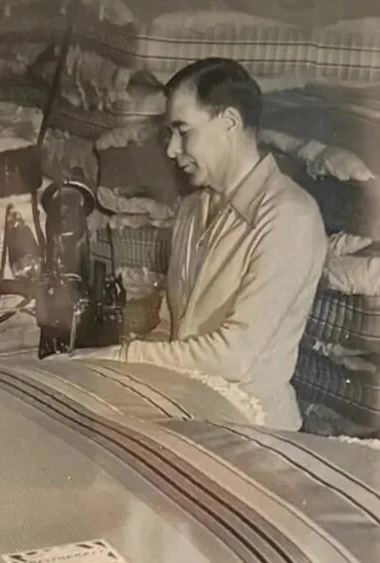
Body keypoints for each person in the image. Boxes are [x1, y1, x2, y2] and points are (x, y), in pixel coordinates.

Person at [81, 58, 326, 431]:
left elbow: (234, 357)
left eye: (183, 131)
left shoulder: (289, 217)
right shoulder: (193, 209)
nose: (171, 150)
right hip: (186, 411)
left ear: (229, 121)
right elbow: (170, 328)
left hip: (251, 430)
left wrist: (124, 356)